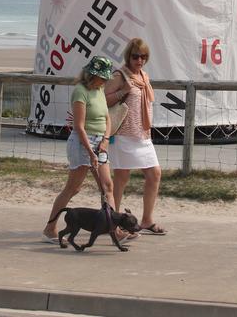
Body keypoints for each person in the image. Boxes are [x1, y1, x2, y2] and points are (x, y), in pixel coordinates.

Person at [43, 55, 132, 243]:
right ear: (91, 75)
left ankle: (114, 230)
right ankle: (50, 227)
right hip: (82, 143)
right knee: (73, 188)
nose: (105, 81)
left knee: (108, 186)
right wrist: (90, 152)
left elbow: (107, 118)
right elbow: (79, 126)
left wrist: (106, 140)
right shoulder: (80, 91)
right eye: (102, 77)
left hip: (101, 142)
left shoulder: (100, 91)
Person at [105, 37, 166, 235]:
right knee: (122, 177)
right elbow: (103, 100)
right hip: (124, 134)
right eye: (135, 56)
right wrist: (123, 91)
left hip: (143, 135)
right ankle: (112, 221)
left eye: (143, 57)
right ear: (128, 56)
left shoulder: (144, 77)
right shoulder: (119, 76)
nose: (139, 60)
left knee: (154, 174)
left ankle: (147, 219)